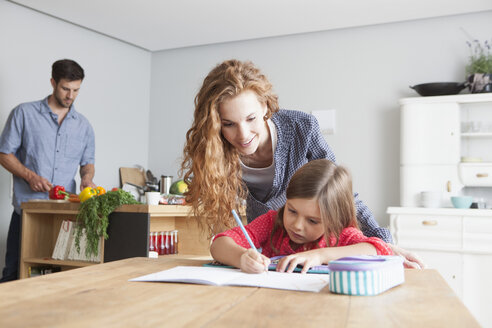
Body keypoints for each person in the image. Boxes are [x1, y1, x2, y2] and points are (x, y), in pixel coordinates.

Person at [181, 59, 424, 269]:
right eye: (229, 124)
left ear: (265, 106)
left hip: (315, 245)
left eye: (251, 118)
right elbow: (224, 237)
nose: (243, 135)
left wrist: (384, 244)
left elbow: (340, 191)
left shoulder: (302, 128)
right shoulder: (215, 150)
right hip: (269, 248)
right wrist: (241, 255)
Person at [0, 59, 96, 282]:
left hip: (65, 215)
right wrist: (29, 176)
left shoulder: (84, 126)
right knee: (13, 274)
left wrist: (87, 178)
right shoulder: (23, 113)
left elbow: (87, 163)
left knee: (61, 275)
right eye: (65, 88)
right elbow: (4, 154)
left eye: (76, 90)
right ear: (53, 82)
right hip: (27, 212)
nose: (70, 96)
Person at [211, 159, 393, 273]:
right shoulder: (272, 222)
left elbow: (380, 249)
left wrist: (320, 255)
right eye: (292, 210)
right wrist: (241, 257)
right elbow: (219, 244)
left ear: (333, 220)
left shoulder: (339, 234)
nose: (297, 225)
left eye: (312, 221)